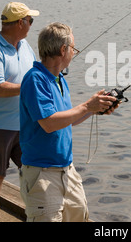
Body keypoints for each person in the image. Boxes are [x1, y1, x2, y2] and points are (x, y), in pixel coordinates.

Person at [19, 22, 119, 222]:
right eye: (73, 48)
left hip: (67, 171)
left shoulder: (59, 79)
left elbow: (66, 119)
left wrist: (94, 110)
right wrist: (86, 106)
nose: (74, 53)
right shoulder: (35, 79)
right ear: (63, 50)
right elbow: (49, 123)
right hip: (42, 174)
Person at [0, 2, 40, 222]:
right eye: (30, 21)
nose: (32, 25)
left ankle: (36, 214)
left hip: (24, 125)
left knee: (35, 172)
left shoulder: (26, 46)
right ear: (20, 23)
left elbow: (35, 74)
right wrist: (30, 87)